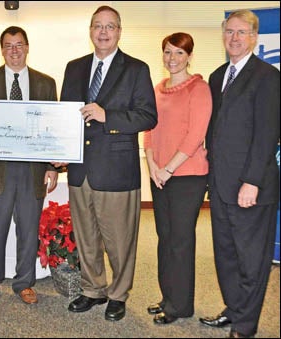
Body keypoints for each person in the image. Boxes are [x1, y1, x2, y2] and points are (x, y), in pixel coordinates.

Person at [57, 5, 157, 321]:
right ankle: (92, 289)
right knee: (86, 236)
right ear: (90, 31)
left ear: (119, 31)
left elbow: (148, 116)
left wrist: (108, 116)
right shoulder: (74, 68)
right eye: (98, 26)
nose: (103, 31)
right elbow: (64, 117)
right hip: (80, 170)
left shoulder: (137, 69)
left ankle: (118, 294)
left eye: (110, 26)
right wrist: (58, 153)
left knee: (119, 240)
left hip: (116, 171)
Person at [200, 10, 280, 338]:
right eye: (229, 31)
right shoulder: (218, 75)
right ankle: (234, 310)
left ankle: (245, 326)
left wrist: (252, 181)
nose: (234, 38)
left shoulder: (268, 77)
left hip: (251, 187)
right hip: (220, 186)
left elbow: (267, 134)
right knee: (227, 256)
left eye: (241, 32)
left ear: (254, 37)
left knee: (251, 261)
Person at [0, 26, 58, 305]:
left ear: (27, 47)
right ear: (2, 50)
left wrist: (52, 166)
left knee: (28, 230)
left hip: (31, 170)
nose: (14, 51)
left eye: (19, 45)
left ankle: (24, 283)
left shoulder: (46, 83)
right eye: (8, 46)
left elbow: (51, 128)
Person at [143, 32, 212, 325]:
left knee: (180, 241)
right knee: (164, 237)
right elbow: (148, 130)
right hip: (160, 175)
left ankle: (180, 306)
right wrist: (153, 166)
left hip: (187, 177)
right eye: (168, 52)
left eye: (179, 53)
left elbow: (195, 136)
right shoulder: (157, 89)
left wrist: (168, 168)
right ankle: (167, 297)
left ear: (189, 56)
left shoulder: (199, 89)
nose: (172, 59)